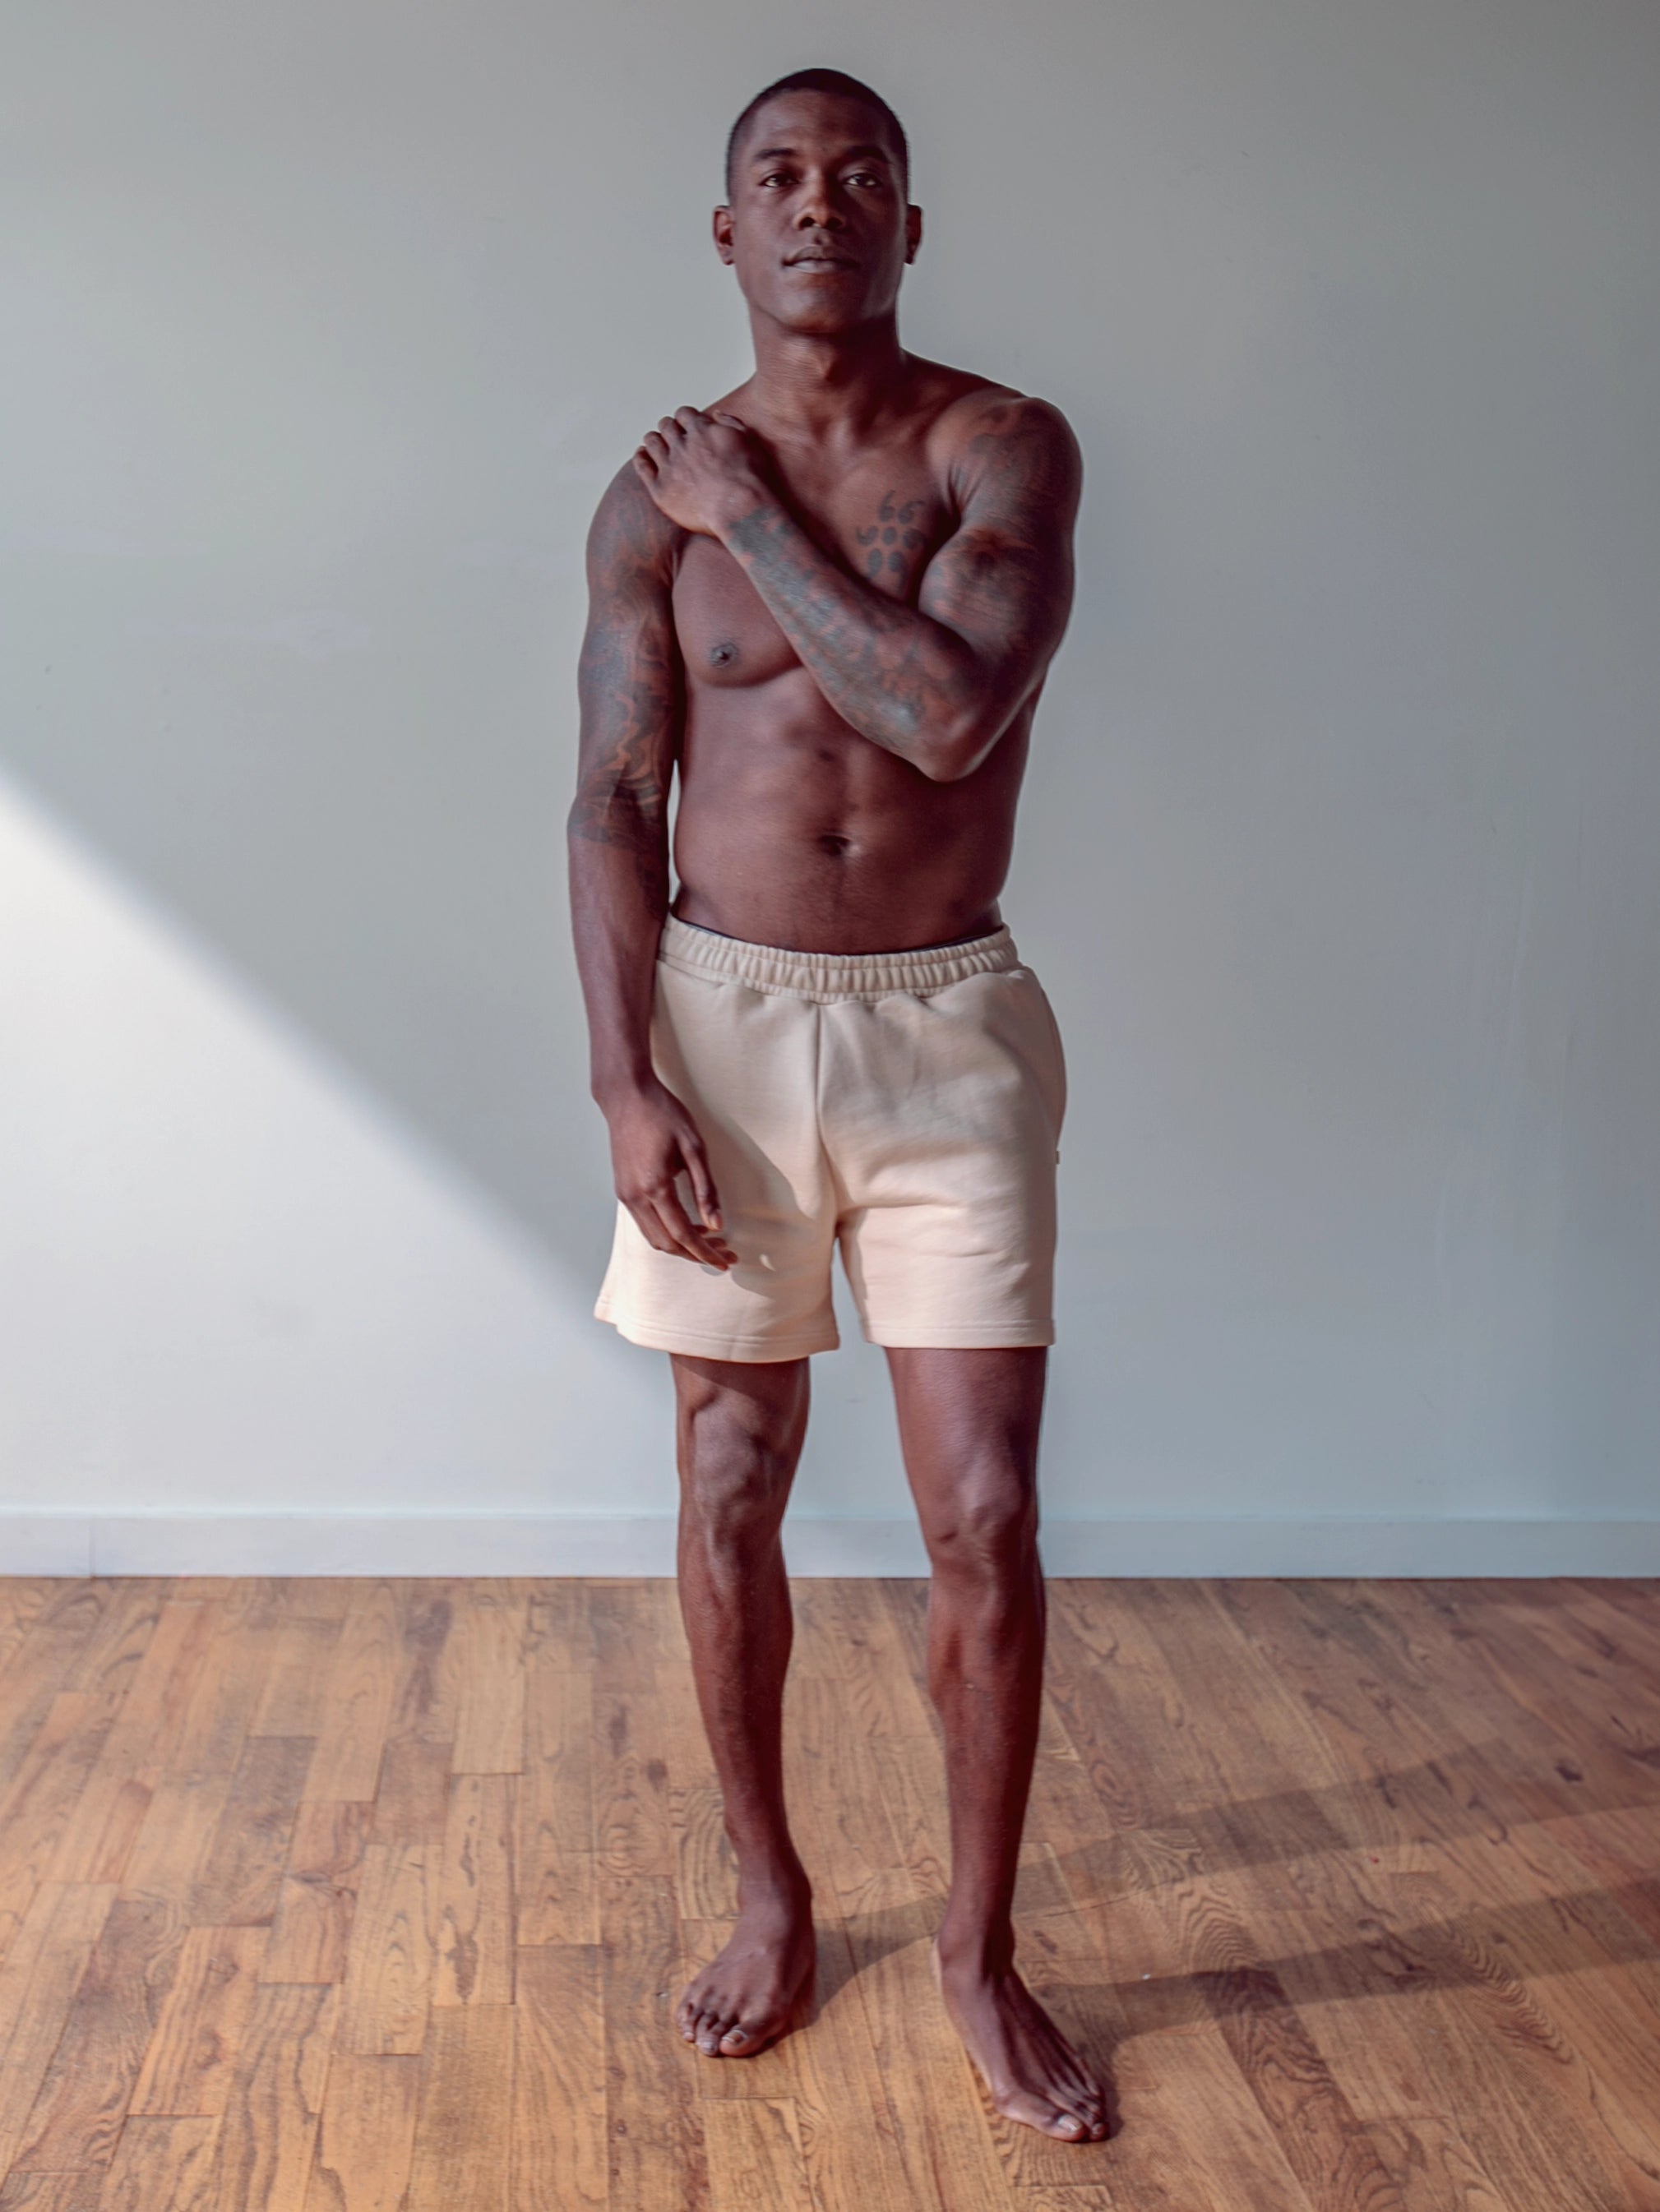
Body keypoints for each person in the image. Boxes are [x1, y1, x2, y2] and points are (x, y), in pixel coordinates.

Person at [567, 67, 1105, 2143]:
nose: (818, 205)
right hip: (716, 1012)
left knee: (984, 1511)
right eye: (775, 179)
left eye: (856, 175)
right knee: (726, 1478)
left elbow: (952, 715)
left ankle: (974, 1947)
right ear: (724, 230)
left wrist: (757, 518)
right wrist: (622, 1076)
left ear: (908, 219)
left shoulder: (1000, 446)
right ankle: (771, 1896)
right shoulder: (645, 497)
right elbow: (614, 796)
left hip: (945, 1020)